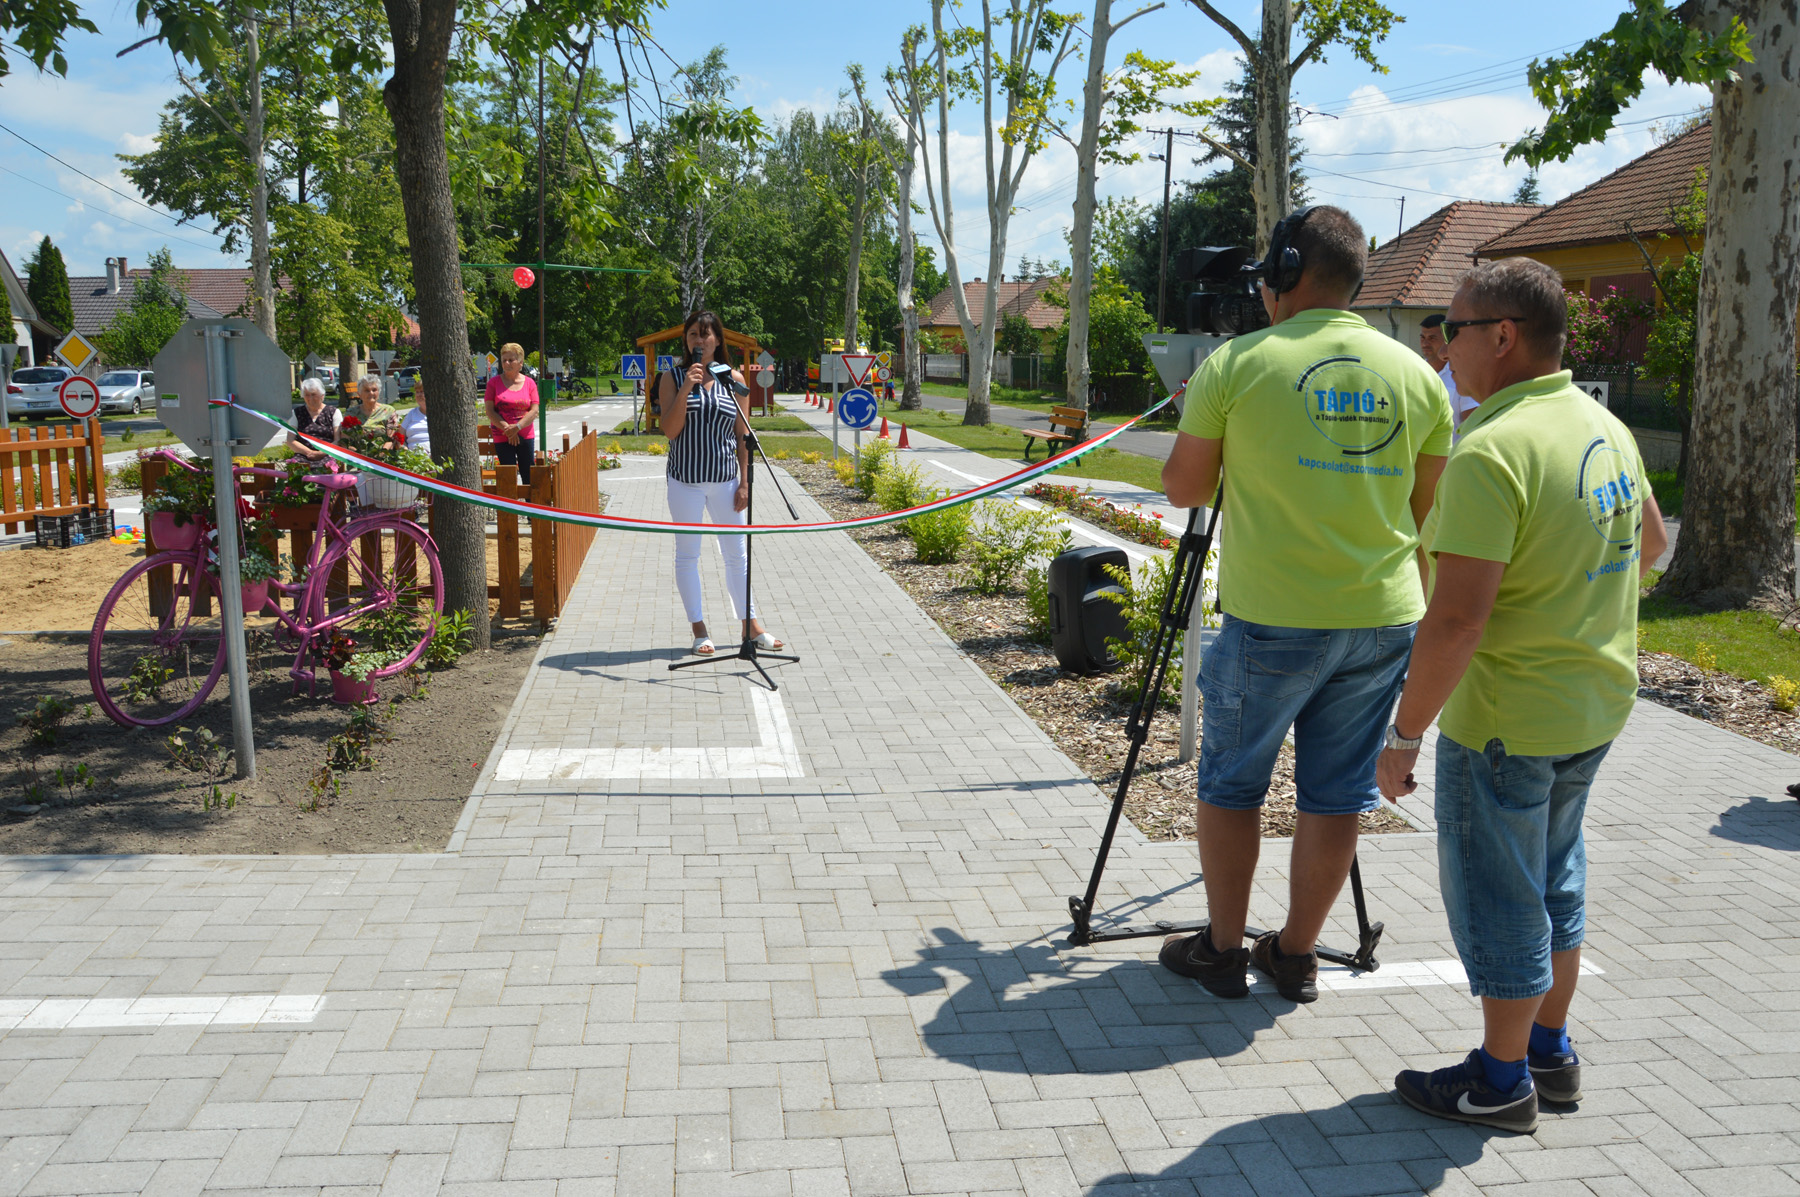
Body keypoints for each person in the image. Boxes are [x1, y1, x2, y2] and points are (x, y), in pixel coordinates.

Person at [1379, 258, 1666, 1133]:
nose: (1440, 345)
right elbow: (1652, 546)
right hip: (1593, 704)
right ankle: (1550, 1050)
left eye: (1451, 328)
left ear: (1501, 336)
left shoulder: (1493, 450)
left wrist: (1404, 733)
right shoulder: (1603, 426)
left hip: (1507, 720)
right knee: (1554, 878)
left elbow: (1457, 620)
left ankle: (1501, 1081)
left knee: (1501, 894)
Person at [1158, 205, 1454, 1004]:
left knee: (1232, 784)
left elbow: (1184, 487)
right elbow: (1431, 514)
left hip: (1273, 616)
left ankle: (1223, 950)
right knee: (1336, 795)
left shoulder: (1237, 363)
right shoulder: (1417, 376)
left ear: (1283, 274)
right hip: (1384, 618)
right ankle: (1294, 954)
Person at [659, 310, 782, 658]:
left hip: (726, 479)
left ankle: (750, 626)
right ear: (686, 340)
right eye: (693, 334)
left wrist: (744, 482)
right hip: (685, 480)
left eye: (706, 334)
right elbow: (670, 431)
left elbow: (742, 434)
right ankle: (699, 629)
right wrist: (688, 386)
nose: (699, 340)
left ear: (717, 340)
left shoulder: (733, 379)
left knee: (737, 556)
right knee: (688, 555)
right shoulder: (671, 377)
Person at [484, 342, 540, 486]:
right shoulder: (493, 383)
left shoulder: (530, 383)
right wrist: (508, 429)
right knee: (508, 478)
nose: (507, 363)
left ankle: (528, 501)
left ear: (520, 363)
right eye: (504, 360)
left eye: (511, 360)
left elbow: (534, 410)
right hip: (502, 435)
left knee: (528, 475)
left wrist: (517, 427)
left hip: (525, 434)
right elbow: (490, 411)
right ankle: (509, 502)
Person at [1420, 314, 1480, 438]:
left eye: (1432, 338)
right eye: (1422, 337)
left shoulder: (1461, 376)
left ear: (1446, 340)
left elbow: (1473, 426)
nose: (1425, 343)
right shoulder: (1415, 372)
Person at [288, 377, 341, 462]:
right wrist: (309, 453)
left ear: (322, 395)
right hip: (303, 454)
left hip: (327, 454)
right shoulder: (296, 413)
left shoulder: (333, 412)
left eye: (313, 394)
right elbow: (290, 440)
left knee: (329, 465)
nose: (310, 398)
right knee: (296, 465)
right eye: (307, 395)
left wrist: (321, 453)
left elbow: (338, 440)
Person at [400, 376, 431, 456]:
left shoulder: (438, 414)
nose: (419, 395)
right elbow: (400, 437)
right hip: (413, 457)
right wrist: (405, 451)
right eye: (417, 392)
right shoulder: (411, 414)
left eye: (422, 391)